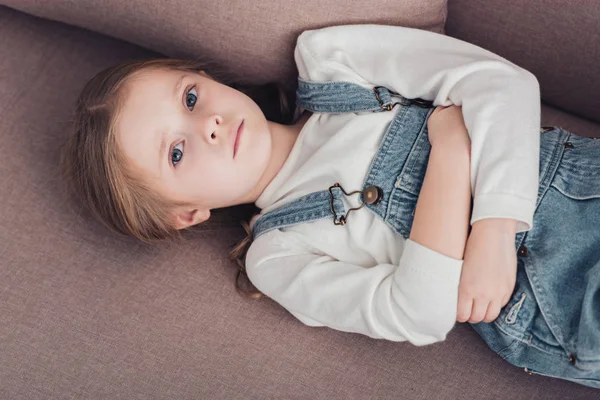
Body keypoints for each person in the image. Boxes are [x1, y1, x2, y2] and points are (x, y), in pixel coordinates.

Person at [60, 24, 600, 388]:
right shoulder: (277, 256)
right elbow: (417, 313)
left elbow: (501, 83)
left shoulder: (332, 61)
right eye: (176, 152)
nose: (209, 125)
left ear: (205, 76)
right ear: (186, 214)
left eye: (190, 98)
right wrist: (452, 151)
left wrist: (495, 226)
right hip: (562, 302)